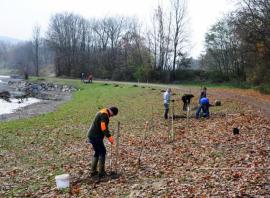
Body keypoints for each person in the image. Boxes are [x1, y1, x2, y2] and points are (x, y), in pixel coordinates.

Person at [87, 107, 118, 177]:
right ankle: (101, 172)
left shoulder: (103, 112)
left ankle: (93, 171)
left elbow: (104, 127)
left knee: (97, 152)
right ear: (111, 112)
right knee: (102, 151)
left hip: (92, 135)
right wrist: (109, 137)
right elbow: (103, 127)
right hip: (95, 136)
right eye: (113, 115)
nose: (112, 116)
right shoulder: (104, 115)